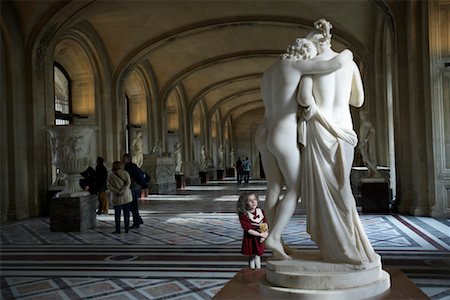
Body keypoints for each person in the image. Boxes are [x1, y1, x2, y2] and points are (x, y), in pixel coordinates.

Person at [255, 32, 353, 259]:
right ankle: (275, 236)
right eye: (310, 53)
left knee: (273, 187)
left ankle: (275, 238)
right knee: (295, 188)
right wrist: (349, 52)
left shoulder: (269, 72)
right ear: (304, 53)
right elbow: (335, 63)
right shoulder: (296, 66)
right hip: (283, 131)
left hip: (264, 131)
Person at [297, 19, 378, 265]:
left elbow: (303, 99)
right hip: (343, 130)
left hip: (320, 131)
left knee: (326, 191)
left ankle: (342, 248)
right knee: (343, 188)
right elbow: (358, 100)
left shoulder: (310, 67)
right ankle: (353, 245)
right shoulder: (349, 63)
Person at [236, 191, 269, 269]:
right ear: (245, 203)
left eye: (254, 199)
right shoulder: (244, 214)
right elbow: (248, 229)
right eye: (250, 200)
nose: (253, 202)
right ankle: (252, 270)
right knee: (252, 255)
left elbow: (265, 224)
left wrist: (264, 235)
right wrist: (260, 234)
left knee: (258, 255)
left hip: (259, 238)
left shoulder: (260, 211)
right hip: (251, 238)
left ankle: (258, 269)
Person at [122, 153, 147, 229]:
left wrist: (143, 185)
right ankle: (138, 219)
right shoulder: (128, 166)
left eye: (124, 158)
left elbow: (138, 176)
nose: (123, 160)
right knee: (133, 205)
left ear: (128, 159)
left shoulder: (131, 166)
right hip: (133, 187)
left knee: (133, 205)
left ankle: (136, 222)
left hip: (133, 188)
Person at [107, 161, 132, 234]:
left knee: (117, 214)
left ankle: (118, 229)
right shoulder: (125, 173)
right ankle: (127, 228)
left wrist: (117, 191)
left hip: (116, 197)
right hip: (126, 196)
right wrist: (122, 191)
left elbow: (109, 186)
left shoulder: (110, 175)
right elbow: (128, 183)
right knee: (126, 213)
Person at [359, 110, 380, 177]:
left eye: (362, 115)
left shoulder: (367, 124)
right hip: (366, 144)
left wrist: (362, 143)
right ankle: (371, 172)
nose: (361, 117)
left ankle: (376, 172)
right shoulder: (365, 124)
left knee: (367, 158)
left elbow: (366, 136)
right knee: (366, 158)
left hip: (368, 144)